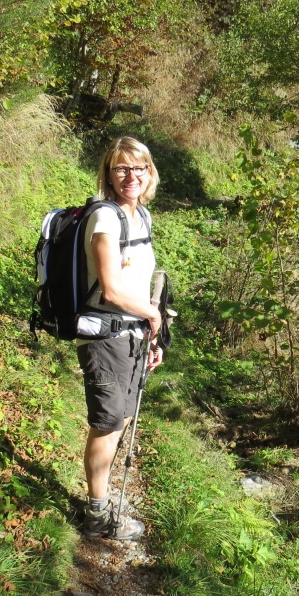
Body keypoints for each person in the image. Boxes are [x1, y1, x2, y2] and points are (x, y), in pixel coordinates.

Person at [78, 136, 164, 541]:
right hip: (105, 336)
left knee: (121, 418)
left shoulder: (141, 216)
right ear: (109, 175)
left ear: (149, 172)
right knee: (108, 423)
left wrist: (151, 333)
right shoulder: (105, 219)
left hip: (132, 335)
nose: (131, 176)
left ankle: (102, 497)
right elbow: (111, 290)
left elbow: (138, 284)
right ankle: (97, 514)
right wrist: (152, 314)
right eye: (122, 169)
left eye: (138, 168)